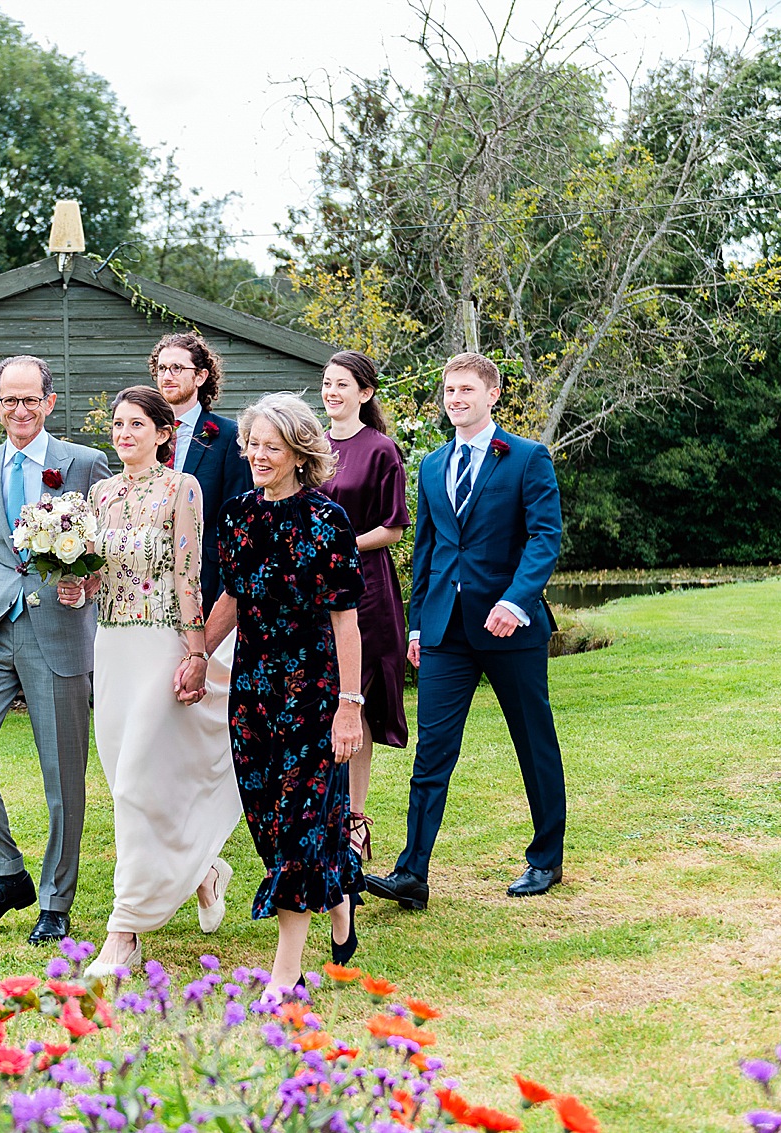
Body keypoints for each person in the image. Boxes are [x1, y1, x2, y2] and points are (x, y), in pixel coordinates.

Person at [365, 352, 565, 912]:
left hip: (510, 630)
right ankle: (412, 874)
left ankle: (546, 857)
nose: (455, 399)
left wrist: (515, 600)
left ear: (492, 395)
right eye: (449, 390)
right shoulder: (430, 465)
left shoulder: (527, 458)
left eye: (466, 390)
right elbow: (427, 550)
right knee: (431, 751)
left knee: (533, 742)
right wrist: (418, 624)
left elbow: (544, 539)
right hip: (446, 632)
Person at [0, 354, 111, 944]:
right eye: (9, 400)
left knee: (62, 775)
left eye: (30, 399)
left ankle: (56, 901)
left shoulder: (85, 464)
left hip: (60, 635)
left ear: (49, 403)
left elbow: (110, 551)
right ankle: (6, 874)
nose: (20, 409)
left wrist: (84, 583)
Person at [75, 387, 241, 979]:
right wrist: (73, 582)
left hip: (162, 640)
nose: (123, 433)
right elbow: (95, 578)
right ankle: (203, 871)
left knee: (135, 786)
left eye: (136, 424)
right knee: (124, 777)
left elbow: (188, 575)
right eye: (117, 424)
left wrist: (197, 653)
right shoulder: (100, 493)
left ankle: (124, 934)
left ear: (164, 433)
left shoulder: (183, 489)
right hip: (113, 644)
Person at [201, 392, 366, 992]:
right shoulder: (238, 515)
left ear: (299, 453)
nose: (259, 455)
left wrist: (351, 708)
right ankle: (339, 893)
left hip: (315, 689)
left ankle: (286, 971)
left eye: (273, 446)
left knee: (298, 819)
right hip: (251, 690)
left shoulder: (329, 520)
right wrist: (197, 655)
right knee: (269, 820)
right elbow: (232, 597)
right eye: (252, 444)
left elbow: (347, 620)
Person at [317, 350, 410, 862]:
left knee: (354, 704)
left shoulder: (381, 450)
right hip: (311, 596)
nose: (332, 392)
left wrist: (337, 543)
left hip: (366, 593)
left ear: (365, 393)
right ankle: (321, 816)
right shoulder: (309, 446)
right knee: (317, 706)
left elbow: (394, 528)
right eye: (327, 384)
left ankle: (353, 821)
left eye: (342, 385)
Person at [149, 332, 253, 614]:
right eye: (161, 368)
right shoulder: (143, 432)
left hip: (206, 579)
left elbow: (239, 519)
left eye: (177, 368)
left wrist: (226, 593)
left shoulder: (229, 435)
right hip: (147, 581)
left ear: (201, 376)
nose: (167, 376)